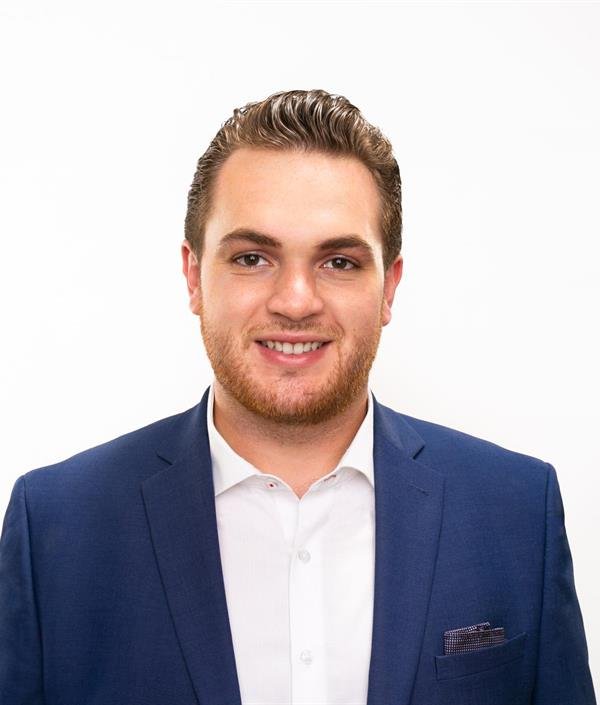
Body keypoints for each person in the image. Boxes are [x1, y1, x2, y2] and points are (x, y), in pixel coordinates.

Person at [0, 89, 595, 705]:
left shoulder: (516, 511)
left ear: (389, 287)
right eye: (252, 257)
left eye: (339, 262)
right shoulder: (55, 528)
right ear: (193, 275)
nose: (295, 301)